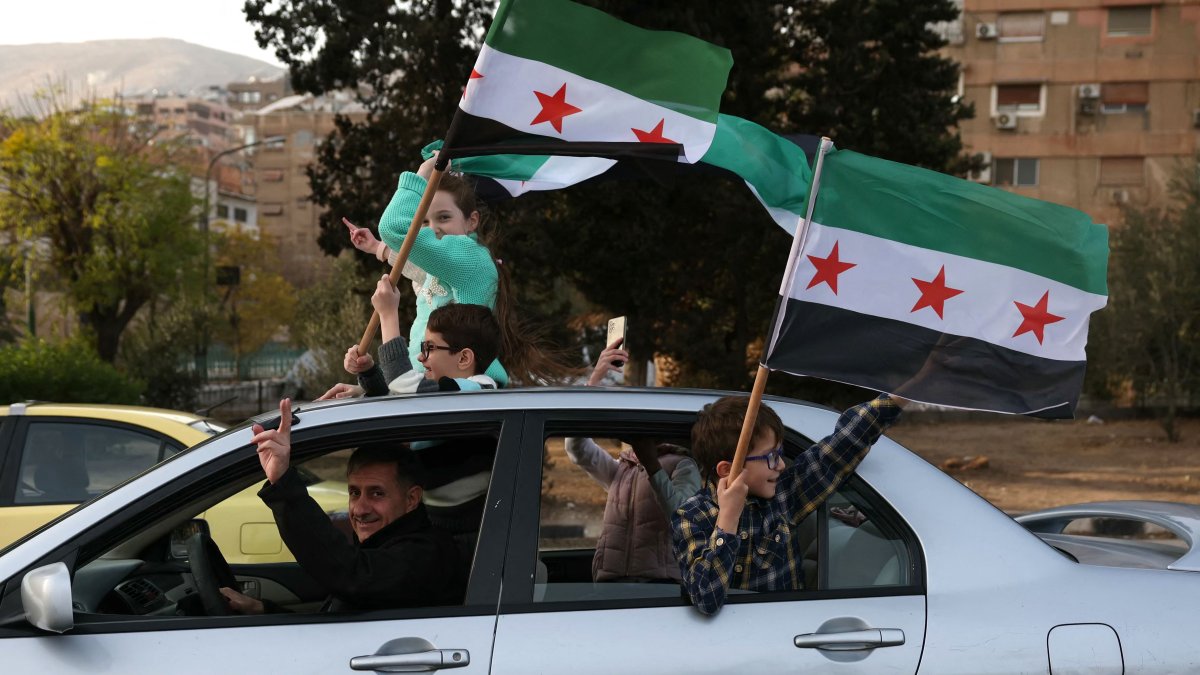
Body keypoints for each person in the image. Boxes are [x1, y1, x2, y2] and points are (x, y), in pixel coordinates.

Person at [344, 146, 578, 386]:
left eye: (444, 217)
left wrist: (424, 173)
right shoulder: (445, 268)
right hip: (422, 384)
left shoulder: (469, 258)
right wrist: (370, 378)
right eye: (422, 222)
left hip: (437, 386)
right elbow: (414, 266)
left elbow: (394, 228)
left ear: (472, 221)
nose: (432, 229)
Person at [219, 399, 464, 613]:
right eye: (354, 493)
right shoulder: (386, 543)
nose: (360, 509)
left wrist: (284, 483)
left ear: (412, 499)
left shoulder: (425, 554)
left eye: (377, 493)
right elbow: (343, 613)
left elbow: (352, 576)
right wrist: (262, 609)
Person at [672, 393, 907, 615]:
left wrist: (900, 396)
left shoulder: (783, 496)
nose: (782, 465)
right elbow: (705, 599)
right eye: (770, 457)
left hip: (787, 634)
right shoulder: (691, 517)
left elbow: (842, 446)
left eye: (780, 453)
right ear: (727, 469)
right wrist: (728, 520)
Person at [564, 338, 702, 582]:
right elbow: (577, 448)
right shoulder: (622, 470)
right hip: (611, 582)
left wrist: (653, 466)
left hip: (659, 586)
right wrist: (594, 381)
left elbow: (682, 518)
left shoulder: (682, 465)